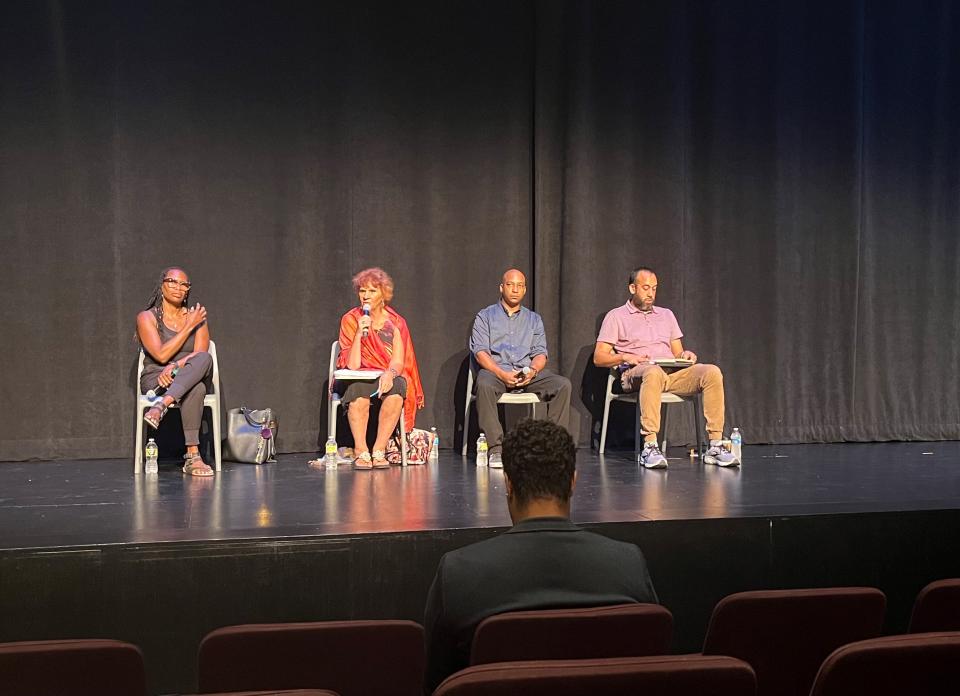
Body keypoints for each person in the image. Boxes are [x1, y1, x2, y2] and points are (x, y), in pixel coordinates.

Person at [422, 419, 658, 691]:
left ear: (508, 484)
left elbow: (436, 683)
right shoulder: (628, 564)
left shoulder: (458, 572)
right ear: (573, 482)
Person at [594, 266, 738, 469]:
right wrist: (626, 356)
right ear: (632, 288)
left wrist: (684, 355)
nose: (651, 293)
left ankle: (715, 444)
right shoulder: (616, 316)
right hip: (637, 373)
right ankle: (650, 446)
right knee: (652, 372)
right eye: (645, 288)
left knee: (711, 372)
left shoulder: (666, 315)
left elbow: (677, 351)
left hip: (671, 374)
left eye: (654, 288)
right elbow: (599, 358)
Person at [469, 269, 571, 468]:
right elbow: (480, 352)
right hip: (497, 372)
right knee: (483, 382)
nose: (515, 290)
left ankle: (551, 447)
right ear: (501, 287)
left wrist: (532, 370)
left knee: (562, 385)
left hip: (527, 373)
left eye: (519, 286)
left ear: (524, 289)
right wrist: (501, 373)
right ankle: (496, 449)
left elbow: (541, 353)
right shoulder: (485, 316)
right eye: (510, 285)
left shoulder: (534, 319)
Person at [334, 267, 424, 469]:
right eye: (362, 291)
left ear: (384, 293)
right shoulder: (350, 319)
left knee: (398, 388)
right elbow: (353, 365)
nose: (365, 296)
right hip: (358, 375)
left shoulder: (396, 323)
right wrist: (359, 332)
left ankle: (379, 449)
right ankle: (360, 449)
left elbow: (398, 361)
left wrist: (390, 374)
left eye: (372, 291)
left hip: (386, 373)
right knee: (357, 390)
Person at [136, 267, 214, 476]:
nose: (179, 288)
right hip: (156, 378)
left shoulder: (197, 317)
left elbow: (200, 355)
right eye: (172, 282)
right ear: (162, 285)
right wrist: (189, 327)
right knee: (195, 387)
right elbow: (161, 355)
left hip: (185, 375)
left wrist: (177, 366)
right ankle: (193, 456)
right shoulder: (147, 317)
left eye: (184, 284)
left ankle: (161, 406)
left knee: (202, 367)